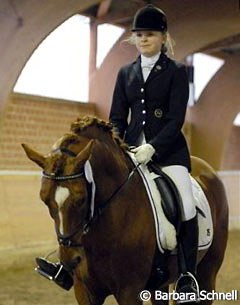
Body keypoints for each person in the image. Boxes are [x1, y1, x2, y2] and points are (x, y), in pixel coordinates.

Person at [109, 4, 199, 303]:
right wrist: (120, 146)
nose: (143, 39)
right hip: (133, 153)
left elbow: (176, 119)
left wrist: (154, 146)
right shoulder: (126, 73)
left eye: (149, 34)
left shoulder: (177, 72)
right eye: (139, 35)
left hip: (169, 153)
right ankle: (76, 263)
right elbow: (117, 118)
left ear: (163, 37)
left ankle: (187, 276)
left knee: (186, 204)